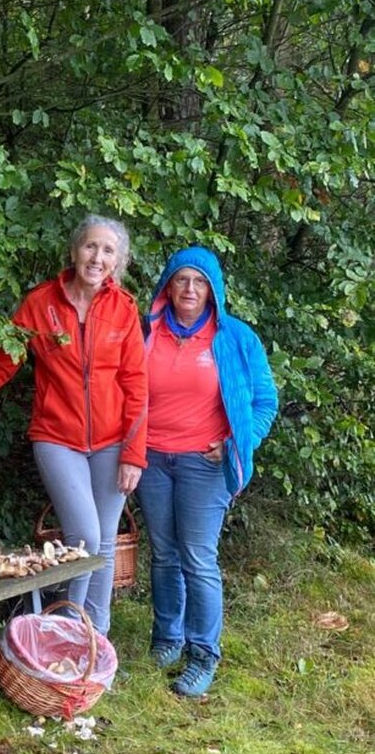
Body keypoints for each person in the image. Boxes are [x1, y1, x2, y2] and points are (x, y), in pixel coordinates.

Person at [0, 216, 147, 637]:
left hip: (114, 442)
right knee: (86, 538)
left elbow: (136, 385)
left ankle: (96, 641)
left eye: (108, 251)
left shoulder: (124, 309)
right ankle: (68, 630)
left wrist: (134, 453)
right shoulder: (41, 304)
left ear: (119, 262)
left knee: (105, 543)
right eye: (90, 247)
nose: (97, 257)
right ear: (75, 251)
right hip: (58, 439)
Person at [136, 246, 277, 697]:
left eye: (200, 282)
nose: (190, 289)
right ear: (167, 285)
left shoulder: (235, 338)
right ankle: (167, 639)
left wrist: (241, 441)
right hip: (153, 460)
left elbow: (264, 401)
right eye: (182, 280)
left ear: (214, 290)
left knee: (197, 558)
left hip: (206, 464)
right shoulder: (146, 331)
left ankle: (203, 654)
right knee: (163, 554)